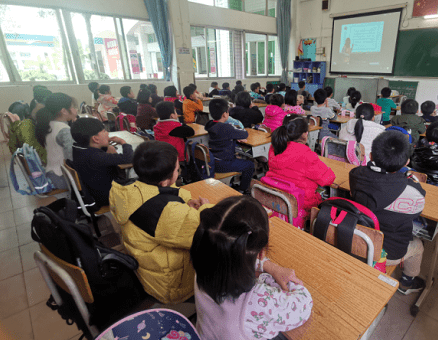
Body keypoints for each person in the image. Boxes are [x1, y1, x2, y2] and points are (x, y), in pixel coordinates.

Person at [191, 196, 313, 340]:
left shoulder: (204, 268)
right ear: (261, 252)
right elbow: (304, 303)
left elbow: (229, 255)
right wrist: (267, 276)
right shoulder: (259, 302)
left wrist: (268, 266)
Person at [109, 141, 211, 304]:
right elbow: (209, 232)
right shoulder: (166, 211)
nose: (179, 171)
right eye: (177, 169)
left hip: (148, 273)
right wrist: (206, 209)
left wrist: (185, 204)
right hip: (171, 286)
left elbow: (164, 204)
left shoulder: (129, 190)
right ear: (165, 181)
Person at [349, 131, 426, 295]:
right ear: (407, 161)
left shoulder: (355, 175)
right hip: (387, 251)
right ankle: (406, 284)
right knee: (418, 245)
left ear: (370, 155)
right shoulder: (412, 192)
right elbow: (416, 213)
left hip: (354, 238)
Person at [267, 114, 336, 218]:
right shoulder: (306, 154)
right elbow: (327, 179)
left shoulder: (275, 147)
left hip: (276, 199)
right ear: (305, 134)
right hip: (301, 203)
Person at [71, 118, 133, 207]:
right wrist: (123, 142)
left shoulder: (78, 148)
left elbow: (97, 152)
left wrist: (105, 146)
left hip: (95, 191)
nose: (107, 133)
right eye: (104, 131)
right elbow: (129, 158)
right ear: (95, 139)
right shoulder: (95, 157)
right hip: (107, 196)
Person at [205, 99, 255, 193]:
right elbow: (245, 134)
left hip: (213, 161)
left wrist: (233, 136)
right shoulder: (226, 127)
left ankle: (237, 182)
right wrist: (235, 133)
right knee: (250, 165)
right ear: (225, 114)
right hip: (224, 163)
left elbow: (223, 135)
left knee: (241, 159)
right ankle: (242, 189)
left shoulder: (210, 124)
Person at [35, 93, 78, 190]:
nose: (76, 109)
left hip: (52, 174)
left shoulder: (49, 124)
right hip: (64, 178)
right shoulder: (64, 130)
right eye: (74, 107)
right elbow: (71, 158)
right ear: (64, 111)